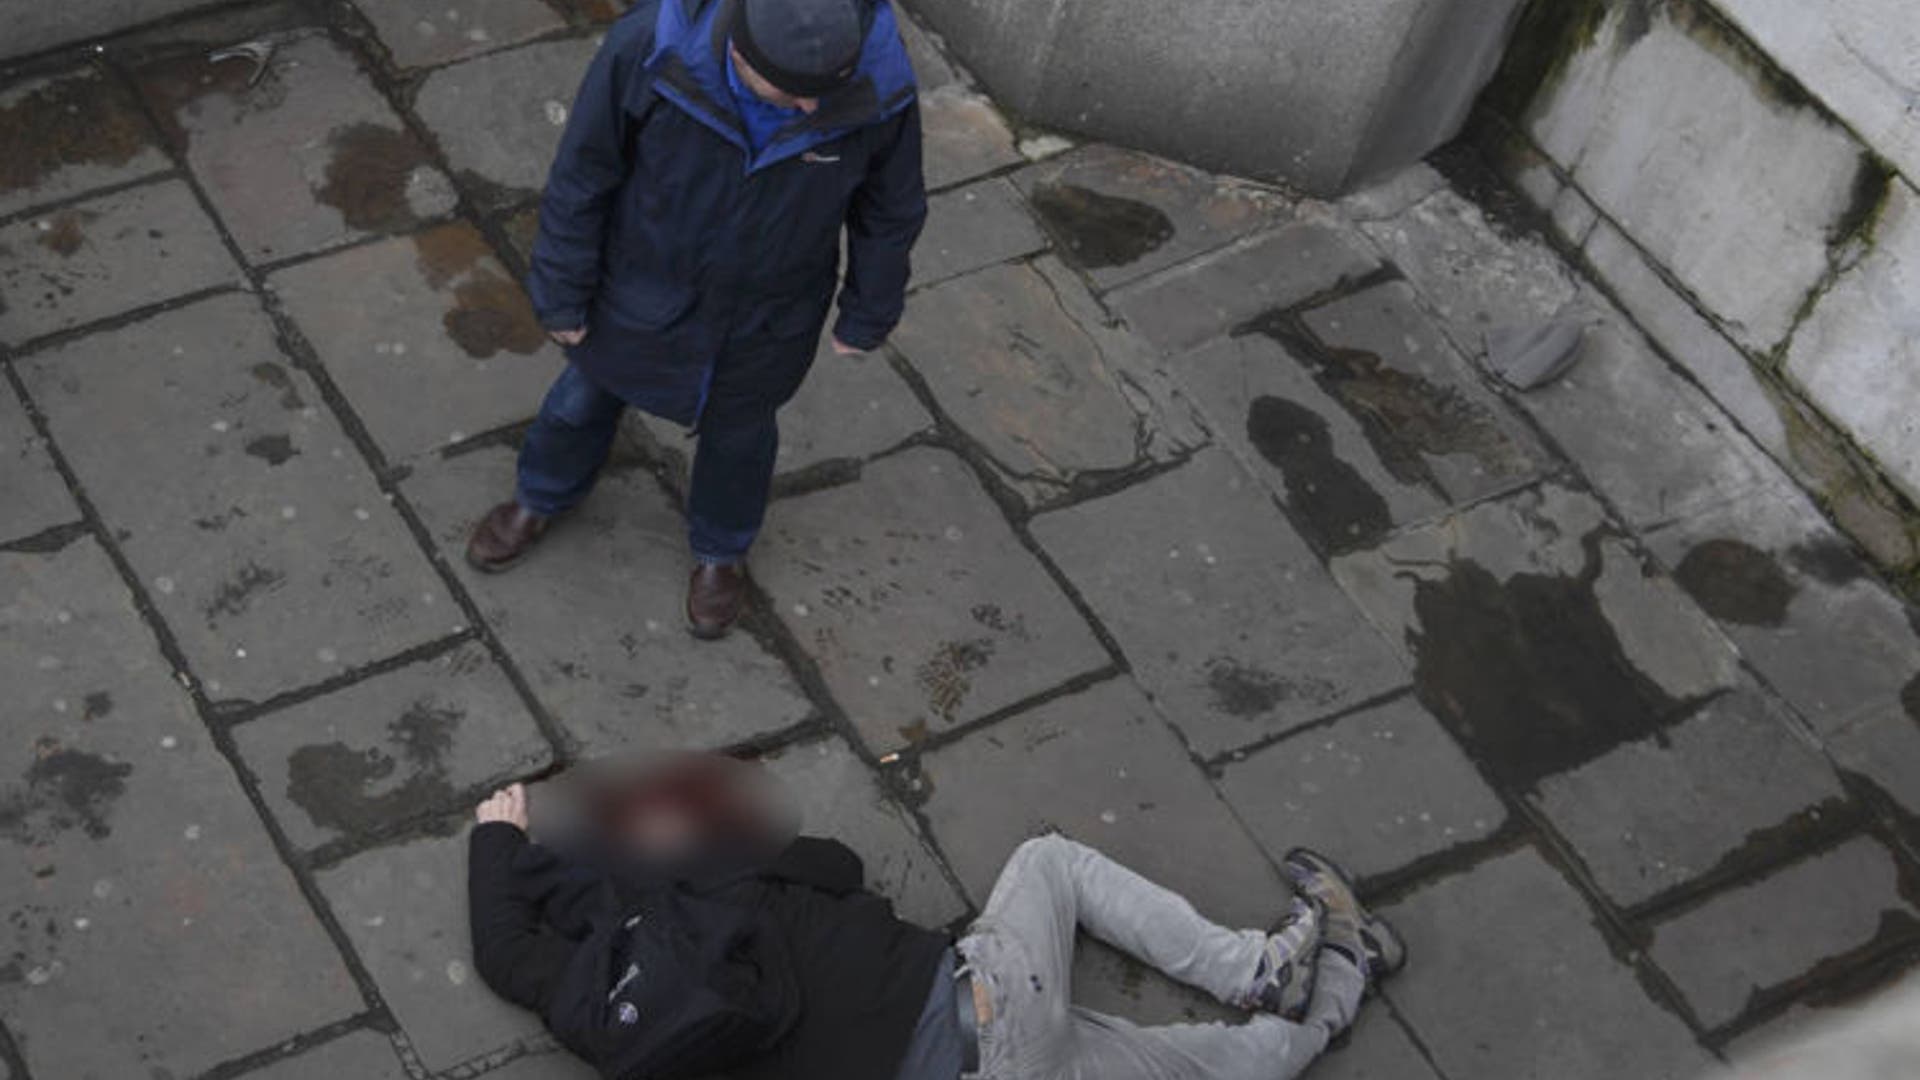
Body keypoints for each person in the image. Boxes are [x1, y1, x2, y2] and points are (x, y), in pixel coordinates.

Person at [465, 0, 927, 640]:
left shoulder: (880, 86)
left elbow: (890, 209)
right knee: (579, 402)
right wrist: (563, 293)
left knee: (740, 442)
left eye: (827, 92)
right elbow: (584, 174)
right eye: (791, 94)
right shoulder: (646, 50)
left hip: (769, 317)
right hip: (639, 289)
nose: (813, 111)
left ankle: (721, 550)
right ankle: (540, 496)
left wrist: (870, 309)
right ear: (738, 53)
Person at [468, 772, 1407, 1080]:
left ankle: (1337, 986)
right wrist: (504, 828)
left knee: (1188, 1068)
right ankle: (1258, 970)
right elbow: (841, 868)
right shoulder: (711, 880)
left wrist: (496, 858)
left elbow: (508, 955)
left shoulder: (606, 1004)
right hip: (993, 1002)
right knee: (1050, 864)